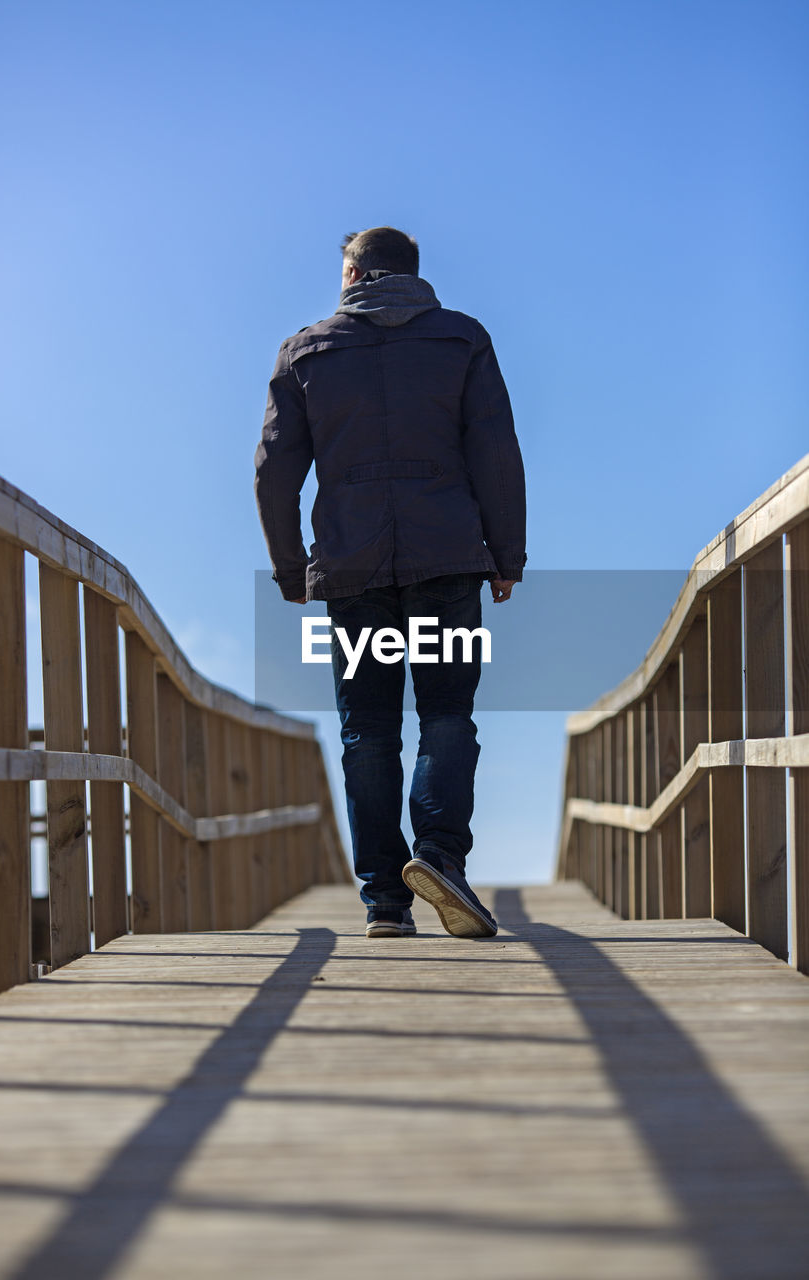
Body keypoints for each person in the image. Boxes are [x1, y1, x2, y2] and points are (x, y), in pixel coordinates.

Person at [254, 227, 526, 939]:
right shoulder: (460, 339)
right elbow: (495, 450)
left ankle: (383, 901)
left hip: (351, 568)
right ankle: (437, 856)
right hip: (446, 559)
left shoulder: (306, 350)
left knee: (366, 730)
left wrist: (291, 569)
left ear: (352, 273)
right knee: (445, 714)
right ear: (410, 273)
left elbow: (274, 470)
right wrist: (507, 555)